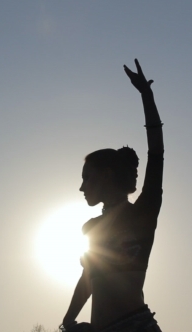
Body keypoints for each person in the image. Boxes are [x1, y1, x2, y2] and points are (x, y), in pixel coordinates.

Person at [60, 59, 164, 332]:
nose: (82, 187)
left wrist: (146, 96)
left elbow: (156, 154)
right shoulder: (90, 228)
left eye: (87, 177)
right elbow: (87, 280)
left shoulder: (143, 213)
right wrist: (67, 321)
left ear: (106, 175)